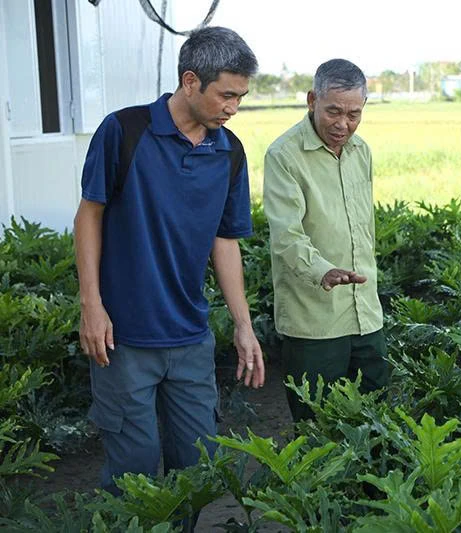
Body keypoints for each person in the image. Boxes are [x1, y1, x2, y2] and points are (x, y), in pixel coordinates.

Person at [73, 26, 265, 499]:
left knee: (198, 466)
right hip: (124, 338)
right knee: (133, 471)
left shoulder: (230, 152)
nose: (233, 108)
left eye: (240, 98)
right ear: (190, 80)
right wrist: (91, 305)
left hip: (191, 339)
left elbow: (225, 241)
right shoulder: (125, 131)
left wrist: (243, 325)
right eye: (226, 95)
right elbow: (88, 216)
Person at [263, 58, 388, 421]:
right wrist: (323, 271)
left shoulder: (360, 151)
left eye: (354, 114)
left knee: (373, 426)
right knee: (318, 427)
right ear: (311, 100)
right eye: (333, 111)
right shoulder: (284, 155)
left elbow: (365, 228)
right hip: (314, 320)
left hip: (367, 314)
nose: (343, 124)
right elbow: (286, 235)